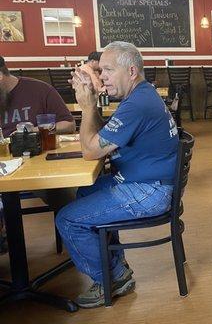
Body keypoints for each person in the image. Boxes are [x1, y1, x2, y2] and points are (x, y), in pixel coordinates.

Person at [55, 41, 179, 308]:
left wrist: (87, 106)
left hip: (149, 191)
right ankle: (116, 267)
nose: (102, 77)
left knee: (68, 219)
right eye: (100, 71)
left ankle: (108, 279)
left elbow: (90, 151)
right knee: (85, 191)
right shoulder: (140, 95)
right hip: (147, 182)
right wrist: (94, 105)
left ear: (131, 71)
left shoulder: (137, 104)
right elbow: (103, 139)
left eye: (108, 70)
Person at [0, 55, 76, 209]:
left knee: (61, 193)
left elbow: (69, 125)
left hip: (35, 162)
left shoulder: (39, 90)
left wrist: (40, 129)